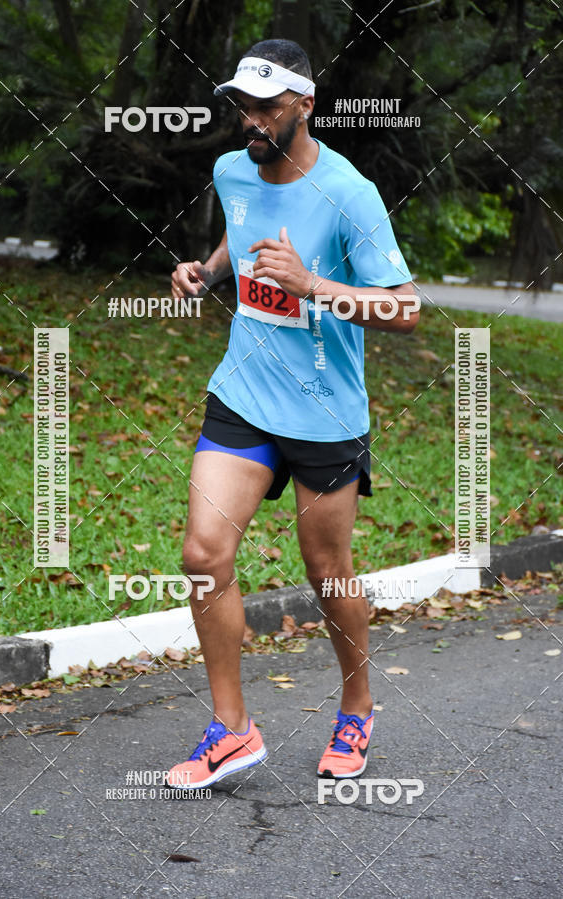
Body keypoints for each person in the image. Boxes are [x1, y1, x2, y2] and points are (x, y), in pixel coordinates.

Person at [167, 39, 419, 789]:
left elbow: (405, 309)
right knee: (203, 553)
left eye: (266, 107)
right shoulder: (229, 169)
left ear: (305, 106)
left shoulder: (350, 192)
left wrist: (312, 284)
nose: (250, 120)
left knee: (326, 573)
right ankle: (234, 730)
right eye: (241, 105)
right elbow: (238, 234)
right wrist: (209, 270)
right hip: (244, 392)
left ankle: (357, 705)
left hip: (324, 412)